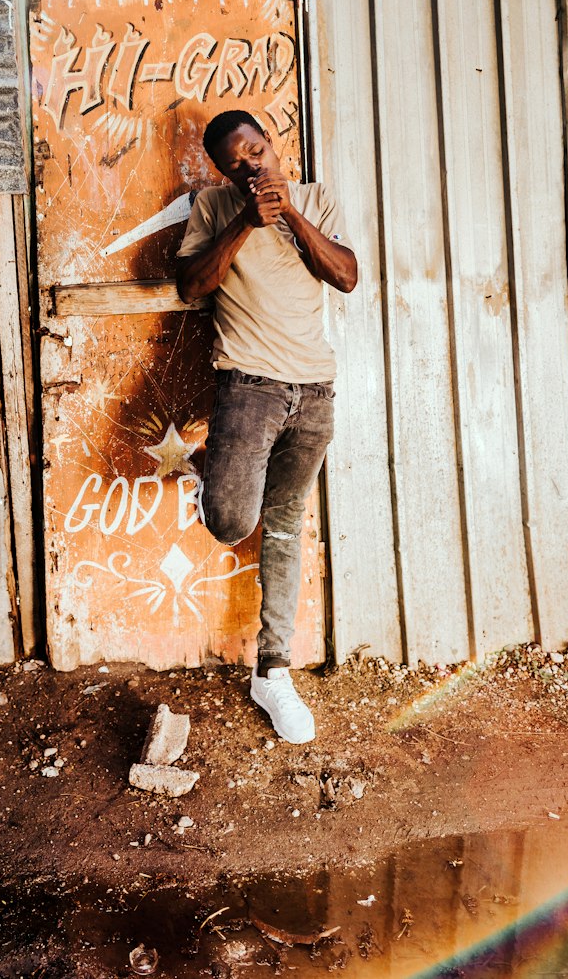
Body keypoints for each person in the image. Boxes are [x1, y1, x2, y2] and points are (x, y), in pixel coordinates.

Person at [175, 110, 357, 744]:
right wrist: (245, 223)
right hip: (248, 387)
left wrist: (291, 219)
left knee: (284, 528)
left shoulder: (315, 200)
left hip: (314, 391)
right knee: (230, 521)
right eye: (236, 161)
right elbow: (191, 286)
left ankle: (272, 673)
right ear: (223, 171)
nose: (252, 164)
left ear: (274, 143)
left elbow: (347, 276)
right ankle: (213, 462)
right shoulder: (212, 207)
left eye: (258, 149)